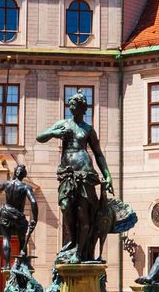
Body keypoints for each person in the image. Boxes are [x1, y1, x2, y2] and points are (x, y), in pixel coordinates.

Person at [36, 89, 114, 263]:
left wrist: (108, 176)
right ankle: (72, 240)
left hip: (85, 173)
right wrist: (53, 133)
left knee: (82, 214)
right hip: (67, 173)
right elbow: (39, 137)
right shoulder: (63, 124)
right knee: (65, 206)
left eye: (75, 105)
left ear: (83, 108)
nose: (71, 107)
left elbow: (99, 154)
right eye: (70, 104)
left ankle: (79, 252)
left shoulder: (88, 130)